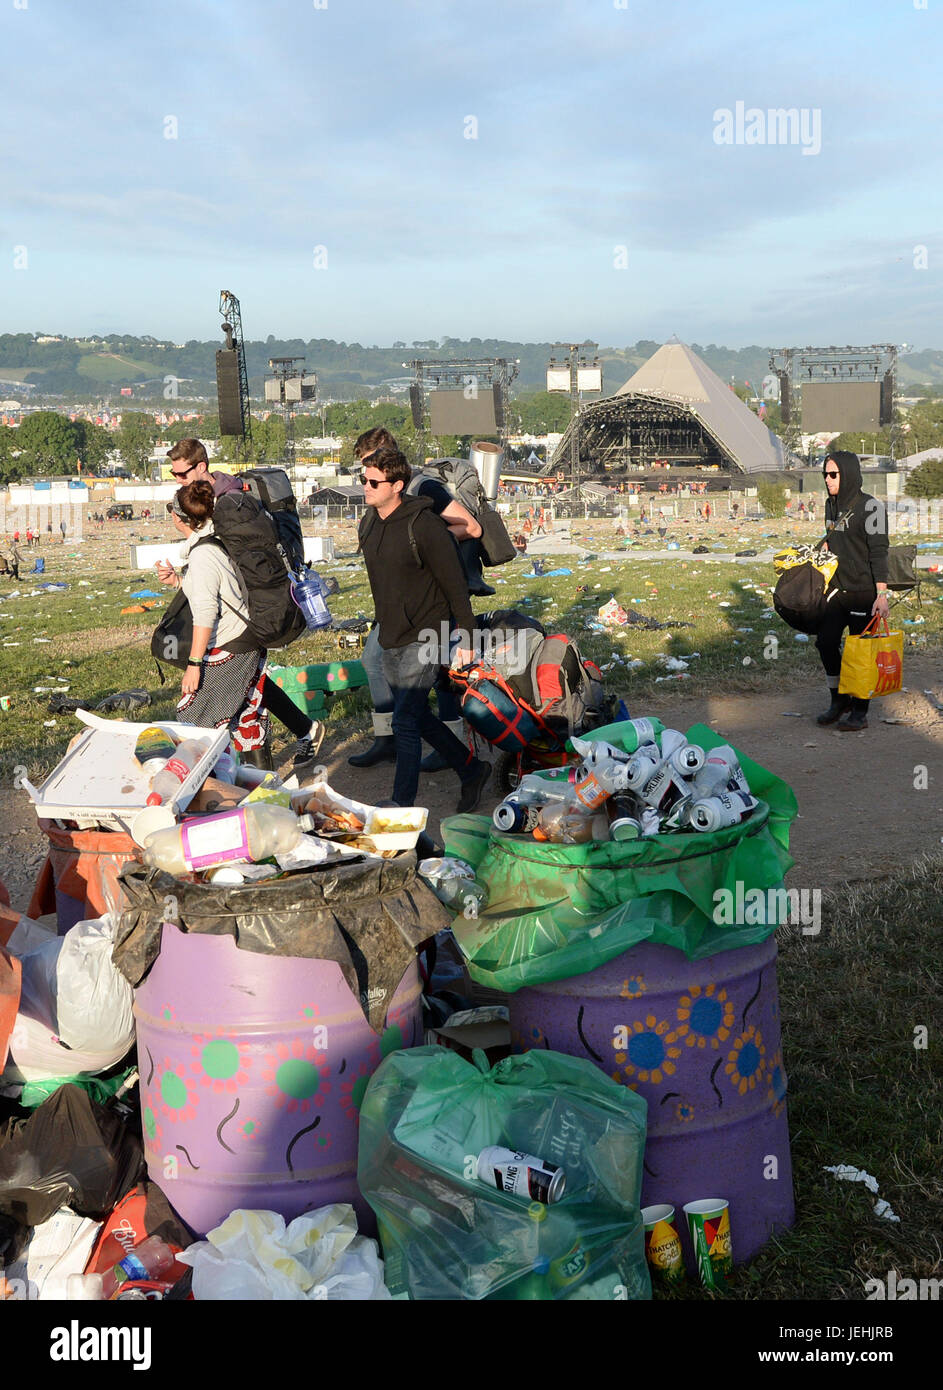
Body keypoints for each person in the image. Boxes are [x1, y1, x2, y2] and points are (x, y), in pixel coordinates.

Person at [159, 438, 324, 774]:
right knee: (250, 700)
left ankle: (227, 784)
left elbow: (208, 605)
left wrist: (194, 663)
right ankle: (266, 782)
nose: (178, 481)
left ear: (200, 467)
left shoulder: (223, 516)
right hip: (249, 623)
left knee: (201, 714)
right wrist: (179, 582)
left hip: (238, 631)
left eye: (180, 475)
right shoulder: (224, 515)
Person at [358, 444, 491, 813]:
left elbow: (454, 584)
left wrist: (465, 636)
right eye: (363, 479)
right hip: (392, 632)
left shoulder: (426, 525)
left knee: (403, 721)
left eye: (373, 481)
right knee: (416, 714)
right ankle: (471, 770)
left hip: (429, 633)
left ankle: (402, 803)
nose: (365, 486)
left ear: (397, 485)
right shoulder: (370, 523)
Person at [157, 481, 270, 757]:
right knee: (245, 715)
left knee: (194, 717)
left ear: (179, 517)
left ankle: (208, 784)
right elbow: (218, 590)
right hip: (247, 637)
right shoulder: (215, 541)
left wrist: (194, 665)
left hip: (232, 642)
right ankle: (258, 785)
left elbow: (206, 614)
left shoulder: (203, 554)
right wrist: (178, 581)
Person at [814, 450, 889, 732]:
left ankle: (860, 710)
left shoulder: (872, 508)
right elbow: (835, 539)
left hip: (863, 592)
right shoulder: (830, 505)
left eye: (833, 474)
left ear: (848, 474)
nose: (828, 480)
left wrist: (882, 595)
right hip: (836, 590)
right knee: (825, 642)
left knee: (860, 652)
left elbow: (880, 552)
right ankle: (839, 699)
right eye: (825, 474)